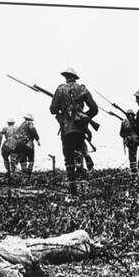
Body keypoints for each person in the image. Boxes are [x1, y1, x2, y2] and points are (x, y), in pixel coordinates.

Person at [50, 67, 98, 195]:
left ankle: (73, 192)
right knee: (80, 150)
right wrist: (83, 116)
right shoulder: (82, 89)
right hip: (80, 127)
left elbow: (53, 109)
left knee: (69, 158)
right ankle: (86, 156)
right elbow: (94, 109)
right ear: (75, 78)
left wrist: (62, 107)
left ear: (66, 77)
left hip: (67, 128)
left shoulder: (60, 89)